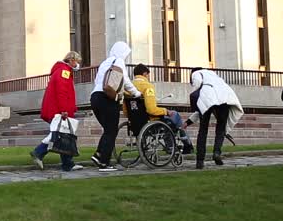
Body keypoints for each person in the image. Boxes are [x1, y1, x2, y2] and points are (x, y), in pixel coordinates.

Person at [90, 42, 142, 170]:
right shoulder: (118, 61)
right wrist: (136, 93)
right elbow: (125, 80)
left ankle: (98, 154)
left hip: (95, 97)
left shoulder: (105, 63)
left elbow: (99, 81)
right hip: (107, 98)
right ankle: (104, 163)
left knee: (108, 129)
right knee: (111, 131)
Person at [29, 52, 84, 172]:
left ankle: (68, 163)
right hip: (58, 110)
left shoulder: (60, 70)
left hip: (55, 109)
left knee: (64, 135)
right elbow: (62, 91)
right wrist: (64, 109)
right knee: (60, 134)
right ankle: (39, 152)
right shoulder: (64, 71)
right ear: (71, 60)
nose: (78, 65)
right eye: (77, 62)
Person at [183, 68, 244, 169]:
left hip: (208, 95)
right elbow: (200, 110)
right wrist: (188, 122)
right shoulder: (213, 74)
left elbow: (197, 86)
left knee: (203, 130)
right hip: (226, 97)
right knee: (221, 129)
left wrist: (194, 95)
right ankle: (217, 153)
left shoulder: (196, 73)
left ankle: (200, 160)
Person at [128, 64, 193, 153]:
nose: (148, 77)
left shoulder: (128, 87)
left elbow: (126, 109)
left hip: (135, 121)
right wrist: (166, 111)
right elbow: (151, 109)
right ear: (144, 74)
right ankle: (186, 145)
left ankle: (171, 145)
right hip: (150, 121)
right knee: (175, 115)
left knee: (169, 119)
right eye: (148, 75)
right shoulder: (147, 86)